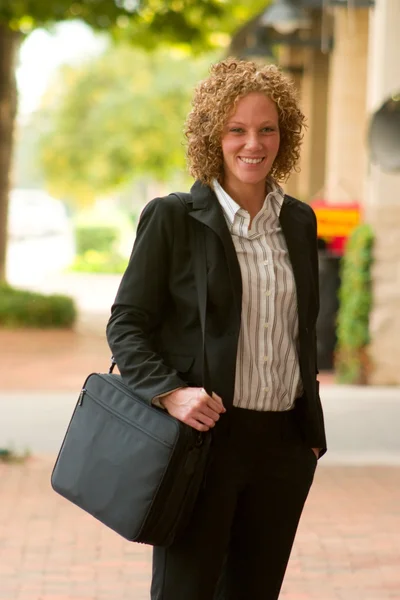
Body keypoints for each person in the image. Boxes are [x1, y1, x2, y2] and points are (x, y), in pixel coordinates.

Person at [106, 58, 327, 600]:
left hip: (283, 447)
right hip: (202, 444)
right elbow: (127, 324)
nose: (253, 143)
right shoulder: (174, 218)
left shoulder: (298, 221)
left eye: (267, 128)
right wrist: (170, 393)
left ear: (285, 134)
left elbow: (301, 331)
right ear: (213, 136)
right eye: (237, 130)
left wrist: (307, 441)